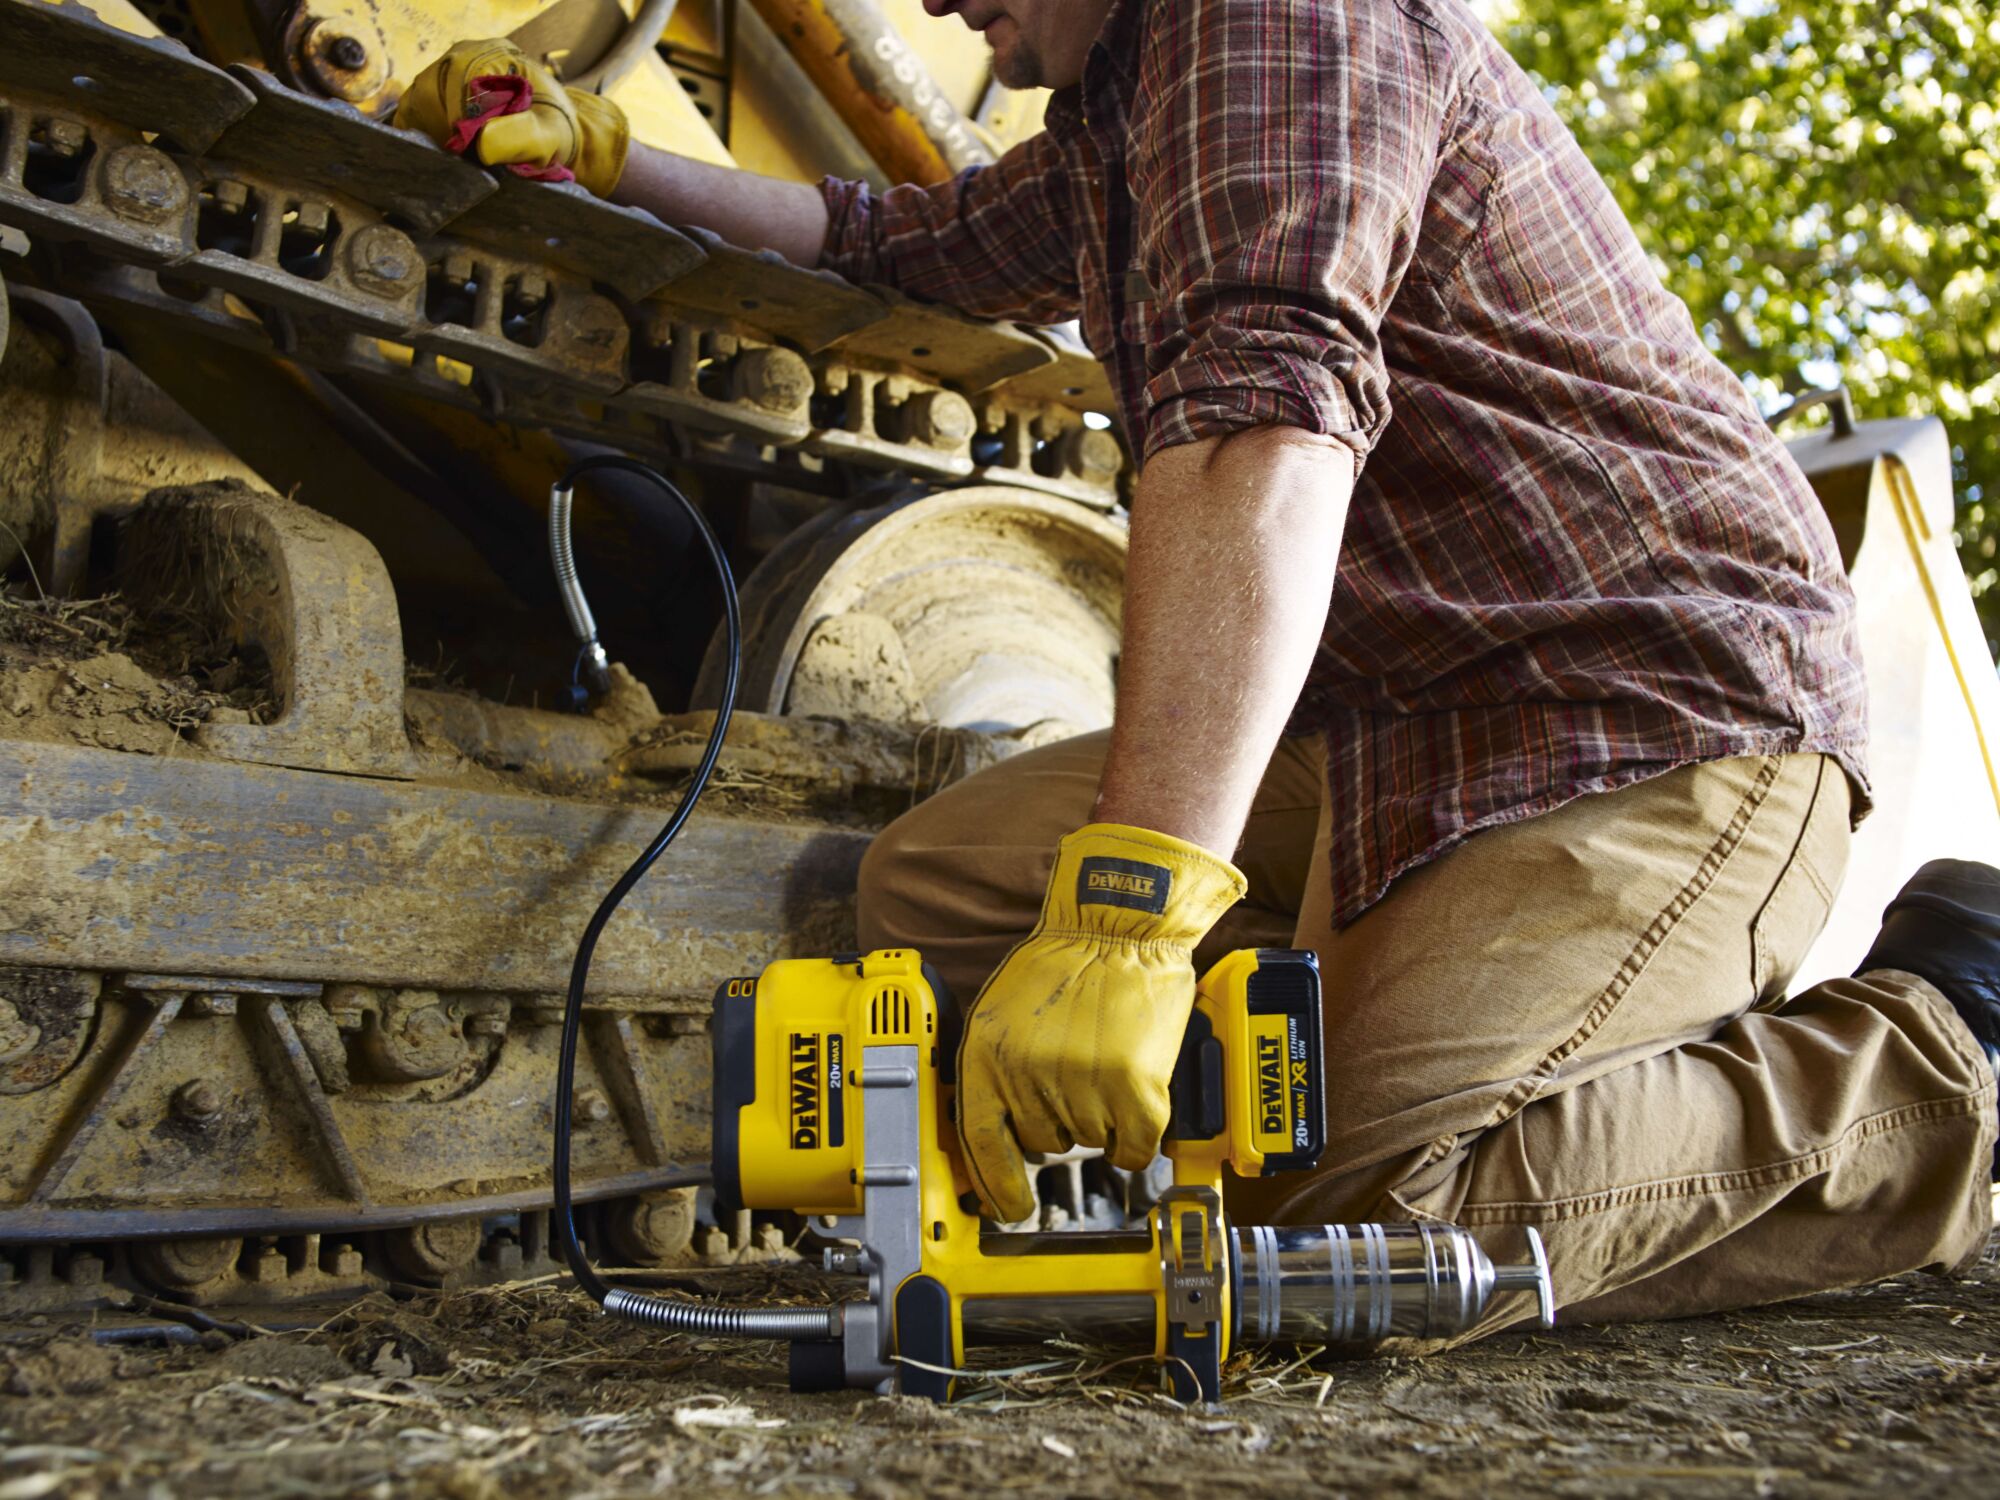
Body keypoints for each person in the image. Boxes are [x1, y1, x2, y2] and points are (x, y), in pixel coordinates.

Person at [400, 0, 1998, 1336]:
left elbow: (1259, 436)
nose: (928, 3)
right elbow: (892, 240)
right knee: (931, 895)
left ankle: (1943, 1060)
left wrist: (1135, 911)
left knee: (1368, 1216)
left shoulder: (1275, 22)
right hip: (1392, 721)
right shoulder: (1127, 109)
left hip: (1646, 710)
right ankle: (1319, 1105)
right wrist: (611, 153)